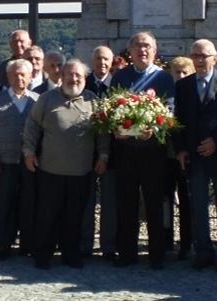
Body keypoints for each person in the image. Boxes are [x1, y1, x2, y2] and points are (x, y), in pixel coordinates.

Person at [23, 59, 109, 269]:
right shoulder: (46, 99)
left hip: (81, 172)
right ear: (61, 76)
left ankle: (71, 254)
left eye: (78, 75)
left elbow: (103, 132)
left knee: (74, 216)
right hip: (50, 170)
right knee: (47, 215)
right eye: (70, 74)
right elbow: (32, 126)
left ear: (85, 78)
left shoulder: (94, 101)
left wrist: (104, 156)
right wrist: (28, 152)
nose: (74, 79)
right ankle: (43, 254)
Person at [173, 39, 217, 272]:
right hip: (195, 156)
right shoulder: (183, 86)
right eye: (195, 56)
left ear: (215, 58)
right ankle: (203, 251)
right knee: (198, 206)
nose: (199, 60)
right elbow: (178, 122)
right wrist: (181, 149)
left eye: (203, 56)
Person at [110, 31, 176, 270]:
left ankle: (156, 254)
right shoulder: (121, 76)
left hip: (152, 150)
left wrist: (155, 128)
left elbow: (170, 110)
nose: (142, 50)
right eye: (137, 46)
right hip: (125, 150)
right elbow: (111, 106)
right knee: (126, 202)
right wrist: (114, 128)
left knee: (154, 202)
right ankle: (127, 252)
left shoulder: (164, 78)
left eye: (147, 46)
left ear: (154, 51)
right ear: (131, 51)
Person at [0, 59, 39, 260]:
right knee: (1, 205)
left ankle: (28, 244)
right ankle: (0, 245)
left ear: (30, 77)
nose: (19, 78)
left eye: (23, 74)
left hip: (30, 163)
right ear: (8, 77)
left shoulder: (38, 101)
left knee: (29, 204)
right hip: (3, 163)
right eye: (15, 74)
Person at [82, 45, 118, 260]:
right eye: (98, 59)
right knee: (86, 200)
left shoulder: (119, 85)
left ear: (112, 61)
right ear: (92, 60)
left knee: (109, 201)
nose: (101, 63)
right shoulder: (82, 84)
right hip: (85, 150)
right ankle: (85, 243)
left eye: (105, 59)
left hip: (112, 152)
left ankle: (108, 246)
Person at [163, 55, 195, 261]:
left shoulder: (193, 96)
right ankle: (166, 241)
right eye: (177, 72)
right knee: (165, 199)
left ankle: (187, 243)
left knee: (186, 200)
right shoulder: (164, 95)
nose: (181, 76)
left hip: (185, 155)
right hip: (165, 155)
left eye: (185, 72)